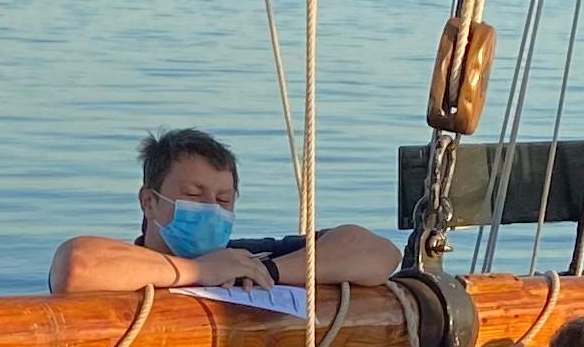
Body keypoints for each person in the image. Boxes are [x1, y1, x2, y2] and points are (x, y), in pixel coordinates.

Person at [50, 124, 396, 295]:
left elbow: (378, 253)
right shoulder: (122, 265)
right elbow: (76, 265)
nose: (210, 208)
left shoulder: (250, 259)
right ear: (149, 201)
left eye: (223, 199)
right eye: (194, 194)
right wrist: (198, 271)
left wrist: (270, 272)